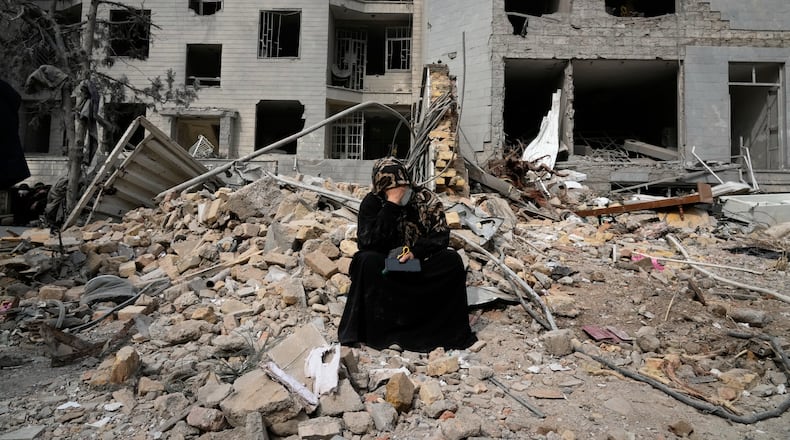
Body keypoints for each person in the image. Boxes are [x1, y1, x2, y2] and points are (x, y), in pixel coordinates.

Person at [338, 157, 477, 352]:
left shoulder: (426, 199)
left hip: (418, 265)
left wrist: (416, 252)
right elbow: (367, 242)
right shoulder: (372, 203)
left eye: (402, 187)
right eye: (392, 188)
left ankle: (442, 333)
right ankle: (374, 333)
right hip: (388, 267)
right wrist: (392, 205)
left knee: (452, 260)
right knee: (365, 261)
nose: (399, 191)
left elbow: (440, 237)